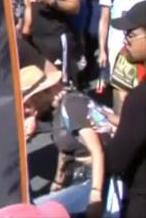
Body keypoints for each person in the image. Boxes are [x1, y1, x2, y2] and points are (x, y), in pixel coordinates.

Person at [23, 65, 113, 218]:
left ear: (42, 94)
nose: (26, 110)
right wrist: (58, 181)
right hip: (80, 176)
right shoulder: (56, 112)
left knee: (36, 211)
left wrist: (96, 194)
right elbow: (65, 150)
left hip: (99, 177)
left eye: (28, 104)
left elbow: (97, 150)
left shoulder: (72, 105)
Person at [105, 1, 146, 217]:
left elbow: (116, 161)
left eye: (131, 34)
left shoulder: (139, 98)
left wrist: (94, 147)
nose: (125, 40)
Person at [98, 0, 146, 112]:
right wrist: (102, 50)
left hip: (140, 46)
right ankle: (120, 119)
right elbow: (104, 21)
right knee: (120, 87)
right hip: (117, 46)